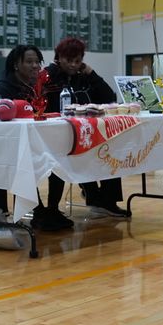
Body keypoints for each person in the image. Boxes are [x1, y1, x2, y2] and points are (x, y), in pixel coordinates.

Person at [40, 36, 128, 219]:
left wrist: (91, 73)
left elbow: (108, 96)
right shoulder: (47, 76)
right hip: (55, 134)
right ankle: (53, 208)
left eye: (78, 61)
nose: (73, 65)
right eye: (68, 60)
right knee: (64, 157)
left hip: (84, 133)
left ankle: (106, 201)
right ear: (58, 57)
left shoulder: (84, 77)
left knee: (109, 149)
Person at [0, 45, 49, 223]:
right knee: (3, 161)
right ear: (16, 65)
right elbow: (0, 128)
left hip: (27, 146)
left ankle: (45, 210)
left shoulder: (37, 88)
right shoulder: (1, 90)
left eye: (37, 62)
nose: (35, 66)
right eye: (29, 61)